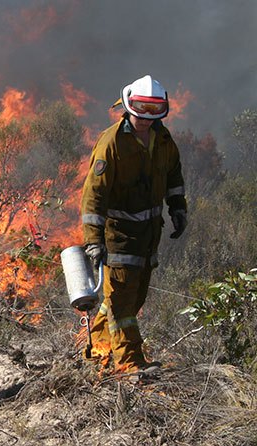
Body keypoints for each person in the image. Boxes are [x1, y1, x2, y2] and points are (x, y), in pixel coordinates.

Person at [81, 74, 187, 377]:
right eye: (141, 108)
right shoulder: (112, 142)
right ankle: (130, 363)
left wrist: (178, 208)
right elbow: (94, 196)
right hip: (119, 237)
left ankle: (95, 350)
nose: (145, 117)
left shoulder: (163, 140)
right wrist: (93, 240)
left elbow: (174, 175)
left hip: (149, 236)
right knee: (122, 304)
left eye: (153, 110)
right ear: (128, 105)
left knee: (133, 297)